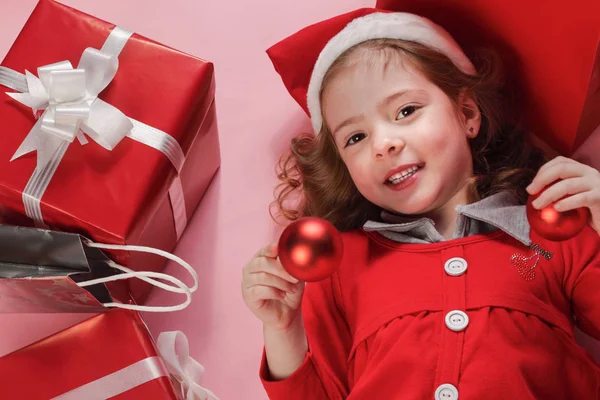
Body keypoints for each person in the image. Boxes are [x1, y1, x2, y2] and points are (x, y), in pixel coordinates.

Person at [241, 8, 600, 399]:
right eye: (356, 138)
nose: (383, 145)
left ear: (467, 113)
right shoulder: (341, 269)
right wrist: (282, 330)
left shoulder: (551, 231)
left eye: (406, 111)